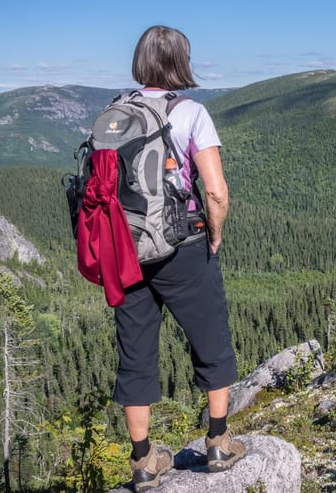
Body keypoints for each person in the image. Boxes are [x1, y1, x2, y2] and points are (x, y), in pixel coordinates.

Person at [117, 25, 245, 491]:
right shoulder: (191, 112)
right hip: (182, 247)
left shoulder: (114, 113)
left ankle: (144, 462)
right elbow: (215, 190)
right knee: (210, 340)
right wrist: (214, 235)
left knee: (135, 354)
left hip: (126, 252)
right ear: (180, 63)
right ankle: (217, 442)